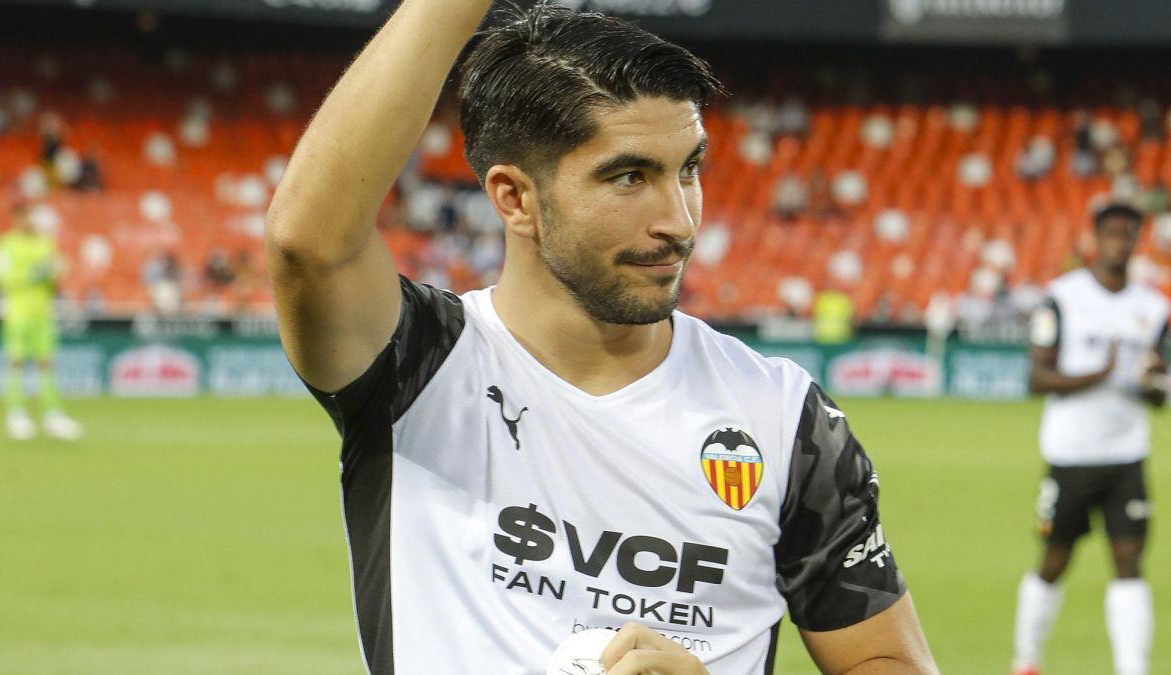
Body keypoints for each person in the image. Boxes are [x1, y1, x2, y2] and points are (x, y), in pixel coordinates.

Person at [266, 2, 937, 673]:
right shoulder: (419, 365)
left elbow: (888, 661)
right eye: (629, 177)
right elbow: (307, 242)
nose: (679, 222)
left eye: (689, 169)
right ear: (514, 198)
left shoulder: (785, 418)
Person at [1011, 202, 1165, 675]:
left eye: (1128, 231)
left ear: (1137, 238)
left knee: (1129, 562)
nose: (1120, 239)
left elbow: (1159, 393)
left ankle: (1132, 668)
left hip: (1127, 454)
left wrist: (1152, 383)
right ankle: (1027, 659)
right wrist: (1101, 372)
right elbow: (1037, 378)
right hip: (1071, 453)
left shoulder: (1155, 307)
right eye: (1112, 231)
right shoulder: (1061, 297)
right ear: (1096, 237)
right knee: (1055, 560)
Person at [0, 204, 82, 440]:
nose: (30, 222)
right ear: (16, 219)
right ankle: (16, 415)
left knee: (46, 363)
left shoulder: (45, 242)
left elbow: (56, 272)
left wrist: (60, 269)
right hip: (17, 313)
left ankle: (53, 416)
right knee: (16, 362)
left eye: (31, 218)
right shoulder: (5, 244)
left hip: (43, 313)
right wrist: (34, 274)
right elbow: (2, 279)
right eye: (25, 218)